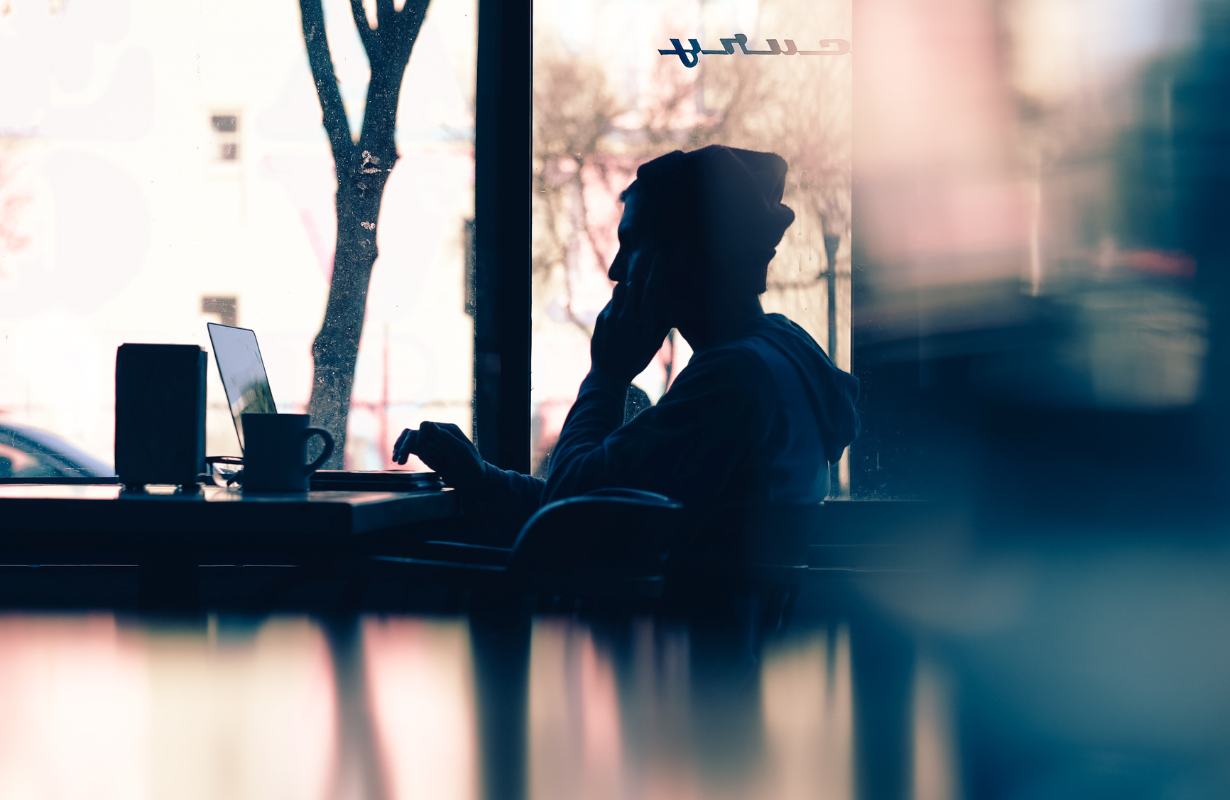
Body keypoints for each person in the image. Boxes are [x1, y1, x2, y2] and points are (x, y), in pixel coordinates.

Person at [393, 145, 860, 541]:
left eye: (632, 243)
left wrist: (608, 376)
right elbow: (602, 495)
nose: (617, 270)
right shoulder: (776, 355)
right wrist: (482, 478)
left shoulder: (731, 380)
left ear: (689, 253)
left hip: (663, 643)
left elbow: (568, 515)